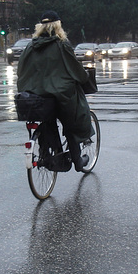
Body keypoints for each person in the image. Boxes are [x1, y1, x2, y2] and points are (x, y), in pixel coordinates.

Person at [17, 10, 94, 171]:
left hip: (35, 95)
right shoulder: (62, 45)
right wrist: (85, 76)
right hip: (60, 95)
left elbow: (21, 70)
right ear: (58, 26)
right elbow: (75, 69)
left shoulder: (30, 46)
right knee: (72, 121)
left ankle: (50, 152)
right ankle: (78, 161)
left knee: (47, 121)